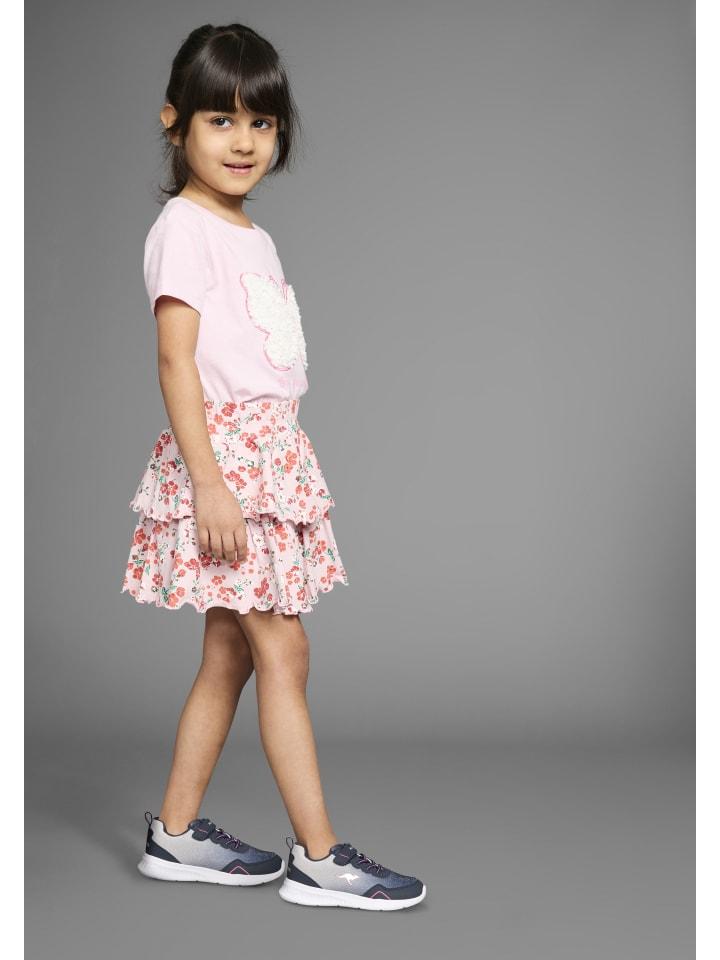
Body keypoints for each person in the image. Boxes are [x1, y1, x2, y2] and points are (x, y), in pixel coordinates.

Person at [121, 22, 426, 911]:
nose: (244, 140)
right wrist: (209, 483)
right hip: (227, 469)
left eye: (261, 121)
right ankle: (321, 858)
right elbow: (176, 361)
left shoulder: (248, 232)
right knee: (284, 646)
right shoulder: (184, 229)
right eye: (220, 119)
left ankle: (175, 835)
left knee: (231, 652)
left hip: (265, 458)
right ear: (174, 121)